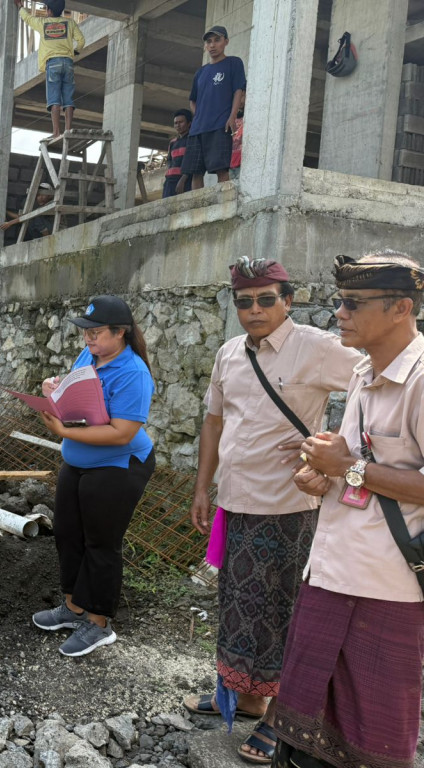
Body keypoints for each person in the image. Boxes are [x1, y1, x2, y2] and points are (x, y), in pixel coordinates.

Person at [182, 258, 362, 764]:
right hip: (236, 502)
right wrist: (203, 487)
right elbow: (214, 422)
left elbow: (372, 387)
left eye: (266, 299)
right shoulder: (229, 353)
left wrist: (336, 445)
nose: (254, 309)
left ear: (288, 300)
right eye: (244, 301)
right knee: (239, 603)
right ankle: (245, 696)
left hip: (289, 506)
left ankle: (280, 715)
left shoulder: (317, 347)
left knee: (282, 610)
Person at [277, 251, 424, 768]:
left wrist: (350, 469)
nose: (339, 312)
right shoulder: (364, 369)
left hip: (387, 584)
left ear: (401, 308)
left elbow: (358, 467)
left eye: (353, 303)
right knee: (304, 731)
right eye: (341, 300)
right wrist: (321, 472)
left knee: (374, 736)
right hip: (331, 569)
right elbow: (351, 459)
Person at [32, 296, 155, 656]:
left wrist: (63, 431)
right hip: (79, 461)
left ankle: (99, 622)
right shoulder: (90, 357)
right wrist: (52, 392)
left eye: (97, 333)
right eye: (86, 332)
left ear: (121, 333)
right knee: (68, 535)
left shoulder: (133, 372)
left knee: (101, 543)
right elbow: (79, 400)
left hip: (118, 464)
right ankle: (73, 608)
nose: (89, 339)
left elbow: (121, 433)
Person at [178, 25, 245, 191]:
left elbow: (239, 90)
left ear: (226, 42)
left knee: (221, 169)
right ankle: (196, 208)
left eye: (217, 40)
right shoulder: (201, 72)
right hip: (198, 129)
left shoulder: (233, 63)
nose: (212, 45)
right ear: (205, 46)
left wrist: (232, 116)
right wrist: (199, 115)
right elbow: (192, 100)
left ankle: (224, 203)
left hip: (220, 126)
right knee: (196, 172)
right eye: (209, 41)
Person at [14, 0, 84, 138]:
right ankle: (68, 130)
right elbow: (81, 40)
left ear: (50, 11)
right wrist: (75, 51)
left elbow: (27, 19)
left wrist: (20, 6)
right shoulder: (70, 23)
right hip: (68, 63)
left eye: (46, 8)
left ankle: (56, 132)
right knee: (68, 98)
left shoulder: (43, 24)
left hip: (53, 64)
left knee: (54, 99)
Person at [164, 109, 193, 198]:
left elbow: (191, 162)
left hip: (185, 181)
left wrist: (183, 180)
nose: (178, 125)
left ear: (189, 123)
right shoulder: (172, 142)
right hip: (170, 181)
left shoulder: (192, 140)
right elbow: (169, 161)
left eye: (181, 122)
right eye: (176, 123)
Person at [230, 92, 245, 180]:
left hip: (243, 161)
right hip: (231, 163)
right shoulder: (231, 118)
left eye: (242, 96)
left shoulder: (251, 115)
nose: (239, 100)